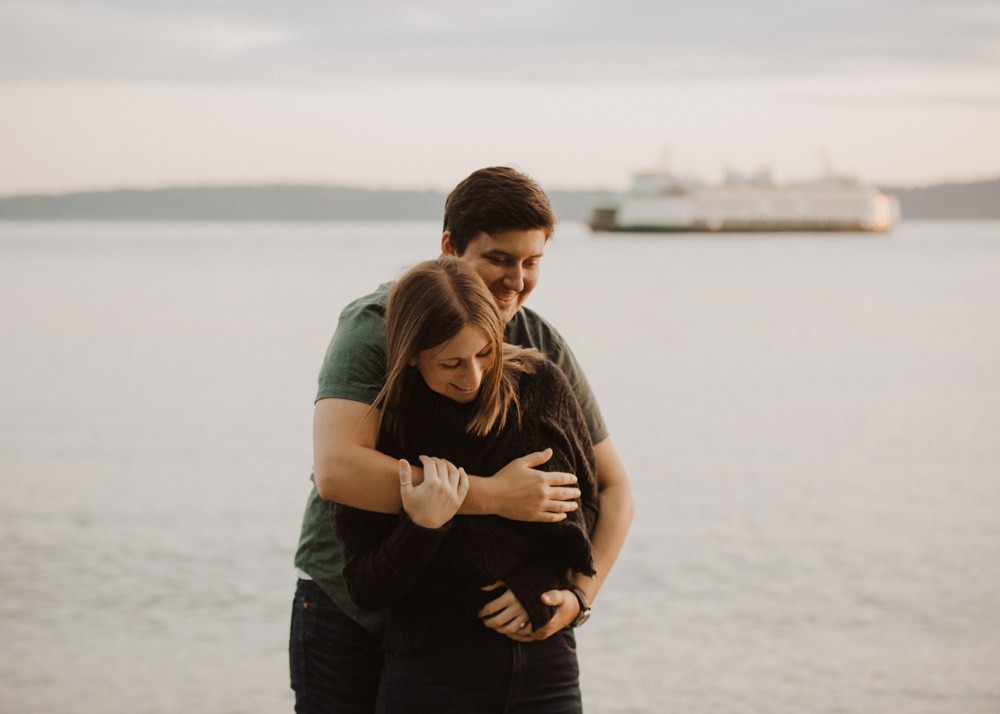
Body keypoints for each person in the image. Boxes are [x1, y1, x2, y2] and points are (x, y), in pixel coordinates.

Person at [290, 167, 634, 712]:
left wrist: (576, 596)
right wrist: (497, 495)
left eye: (532, 262)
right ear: (450, 247)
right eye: (499, 258)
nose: (516, 280)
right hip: (349, 606)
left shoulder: (536, 340)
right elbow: (340, 471)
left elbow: (613, 489)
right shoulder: (375, 325)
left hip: (453, 630)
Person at [335, 257, 599, 711]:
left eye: (484, 354)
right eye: (451, 363)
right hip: (431, 676)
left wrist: (550, 588)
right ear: (413, 354)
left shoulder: (542, 386)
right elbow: (365, 588)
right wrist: (422, 527)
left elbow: (586, 507)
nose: (472, 377)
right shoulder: (389, 430)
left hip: (545, 666)